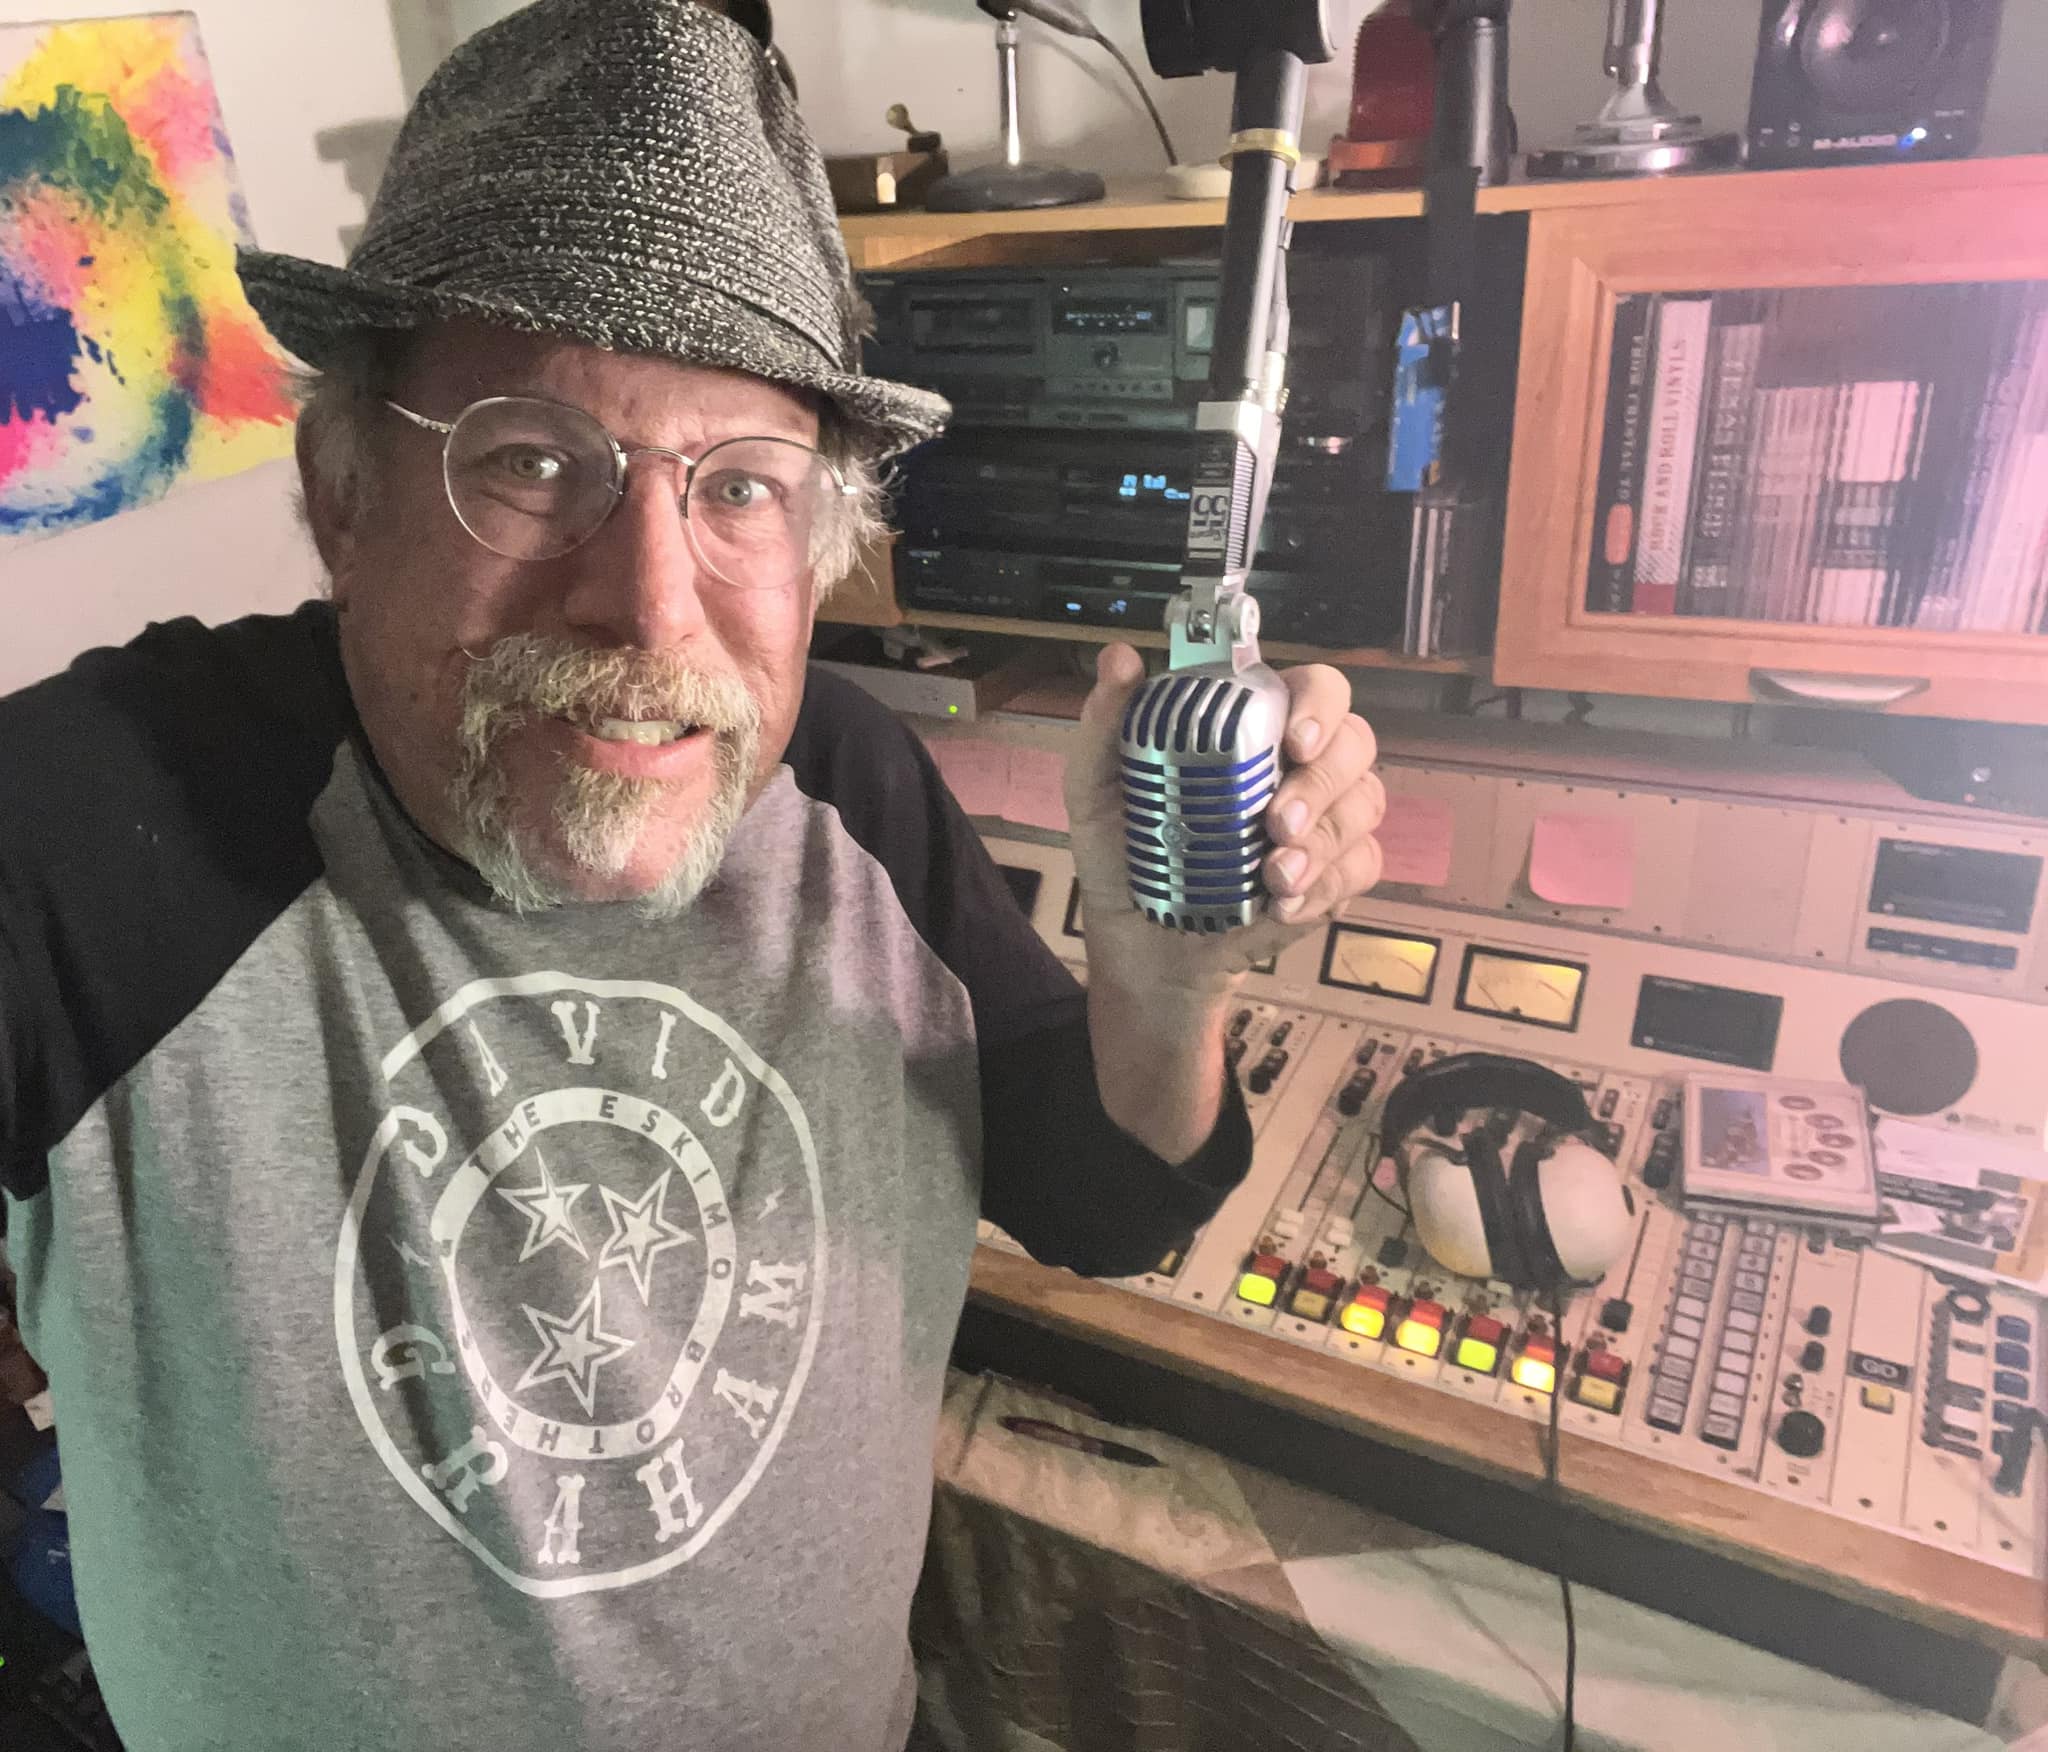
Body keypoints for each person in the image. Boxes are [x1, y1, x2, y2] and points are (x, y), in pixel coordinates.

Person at [0, 2, 1386, 1746]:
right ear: (343, 495)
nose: (651, 611)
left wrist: (1166, 985)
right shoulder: (80, 826)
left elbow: (1109, 1204)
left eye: (738, 489)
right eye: (532, 461)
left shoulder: (848, 786)